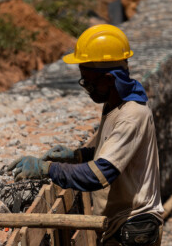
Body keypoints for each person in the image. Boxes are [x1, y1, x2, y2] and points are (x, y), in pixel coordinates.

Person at [8, 24, 164, 246]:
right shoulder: (115, 103)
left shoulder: (131, 115)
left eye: (89, 82)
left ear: (110, 79)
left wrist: (47, 169)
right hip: (120, 223)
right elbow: (114, 153)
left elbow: (99, 175)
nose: (87, 88)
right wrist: (76, 156)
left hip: (133, 226)